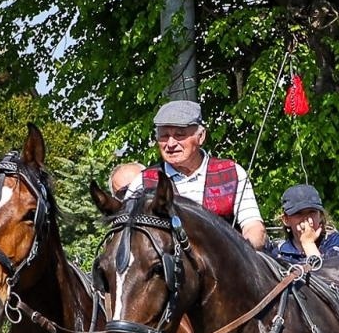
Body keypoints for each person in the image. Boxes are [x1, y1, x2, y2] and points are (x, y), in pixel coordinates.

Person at [109, 99, 267, 249]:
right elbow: (124, 234)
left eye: (179, 135)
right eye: (164, 136)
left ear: (201, 136)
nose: (171, 144)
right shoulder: (143, 182)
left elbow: (253, 227)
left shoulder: (232, 174)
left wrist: (242, 253)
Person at [273, 183, 339, 262]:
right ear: (286, 220)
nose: (307, 220)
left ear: (321, 216)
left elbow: (328, 273)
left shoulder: (333, 242)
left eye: (312, 212)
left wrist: (308, 244)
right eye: (298, 213)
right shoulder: (280, 253)